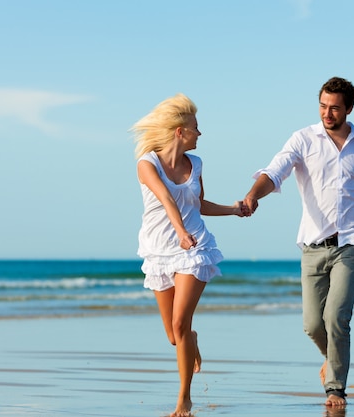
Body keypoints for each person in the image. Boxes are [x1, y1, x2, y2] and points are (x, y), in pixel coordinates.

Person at [243, 77, 354, 407]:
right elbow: (275, 171)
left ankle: (335, 388)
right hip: (312, 243)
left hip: (353, 242)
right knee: (311, 324)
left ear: (349, 109)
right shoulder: (304, 139)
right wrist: (253, 195)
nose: (327, 113)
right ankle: (333, 358)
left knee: (336, 317)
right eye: (323, 106)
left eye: (335, 108)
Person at [131, 93, 246, 417]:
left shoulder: (196, 164)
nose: (200, 134)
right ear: (180, 131)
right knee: (174, 335)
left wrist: (233, 210)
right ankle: (190, 340)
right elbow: (167, 198)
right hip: (160, 251)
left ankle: (184, 400)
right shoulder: (147, 164)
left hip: (194, 250)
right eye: (196, 128)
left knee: (180, 323)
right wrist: (179, 231)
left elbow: (199, 204)